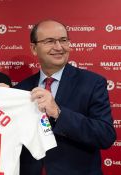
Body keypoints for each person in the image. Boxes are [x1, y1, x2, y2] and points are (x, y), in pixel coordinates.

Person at [14, 19, 116, 175]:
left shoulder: (93, 83)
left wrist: (58, 113)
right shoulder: (21, 89)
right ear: (34, 48)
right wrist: (0, 99)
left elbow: (105, 136)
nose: (59, 47)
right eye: (50, 41)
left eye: (63, 40)